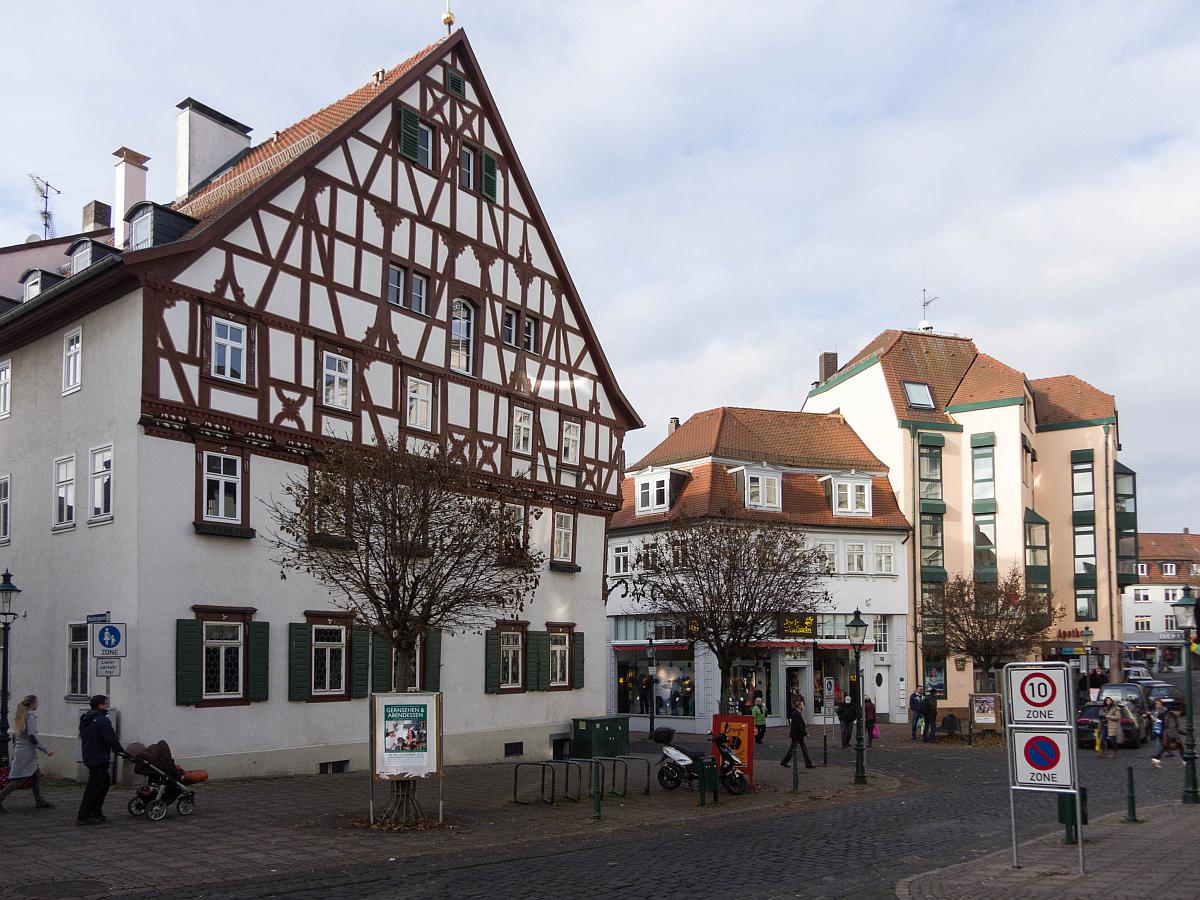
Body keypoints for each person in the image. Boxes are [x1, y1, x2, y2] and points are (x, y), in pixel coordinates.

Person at [0, 695, 55, 813]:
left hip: (22, 750)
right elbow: (32, 737)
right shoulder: (30, 717)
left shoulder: (21, 716)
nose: (37, 704)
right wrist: (45, 749)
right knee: (19, 778)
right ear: (31, 704)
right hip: (26, 752)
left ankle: (40, 800)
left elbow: (17, 736)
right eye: (36, 702)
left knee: (36, 775)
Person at [77, 694, 125, 825]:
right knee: (95, 786)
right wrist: (119, 750)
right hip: (99, 756)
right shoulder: (102, 720)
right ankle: (85, 814)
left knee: (104, 783)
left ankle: (95, 810)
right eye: (105, 704)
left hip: (89, 754)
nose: (107, 706)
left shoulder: (86, 718)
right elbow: (110, 738)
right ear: (100, 705)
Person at [780, 701, 815, 769]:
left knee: (803, 749)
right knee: (793, 749)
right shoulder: (796, 714)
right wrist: (806, 733)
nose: (803, 706)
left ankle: (808, 764)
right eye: (802, 705)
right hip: (796, 735)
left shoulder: (797, 713)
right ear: (799, 706)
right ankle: (784, 761)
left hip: (799, 735)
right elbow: (799, 726)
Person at [1150, 699, 1181, 768]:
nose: (1158, 705)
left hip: (1163, 730)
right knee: (1163, 743)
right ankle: (1166, 753)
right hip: (1161, 730)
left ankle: (1156, 757)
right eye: (1156, 704)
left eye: (1159, 704)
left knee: (1160, 743)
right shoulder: (1155, 711)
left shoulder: (1165, 711)